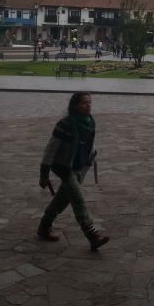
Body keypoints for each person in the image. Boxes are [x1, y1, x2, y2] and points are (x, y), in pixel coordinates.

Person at [37, 92, 110, 251]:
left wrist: (90, 159)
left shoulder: (90, 122)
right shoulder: (65, 124)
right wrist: (44, 174)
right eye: (84, 103)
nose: (88, 105)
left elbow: (90, 143)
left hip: (81, 167)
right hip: (64, 167)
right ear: (75, 105)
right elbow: (50, 150)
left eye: (90, 102)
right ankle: (92, 235)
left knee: (62, 199)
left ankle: (44, 226)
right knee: (78, 199)